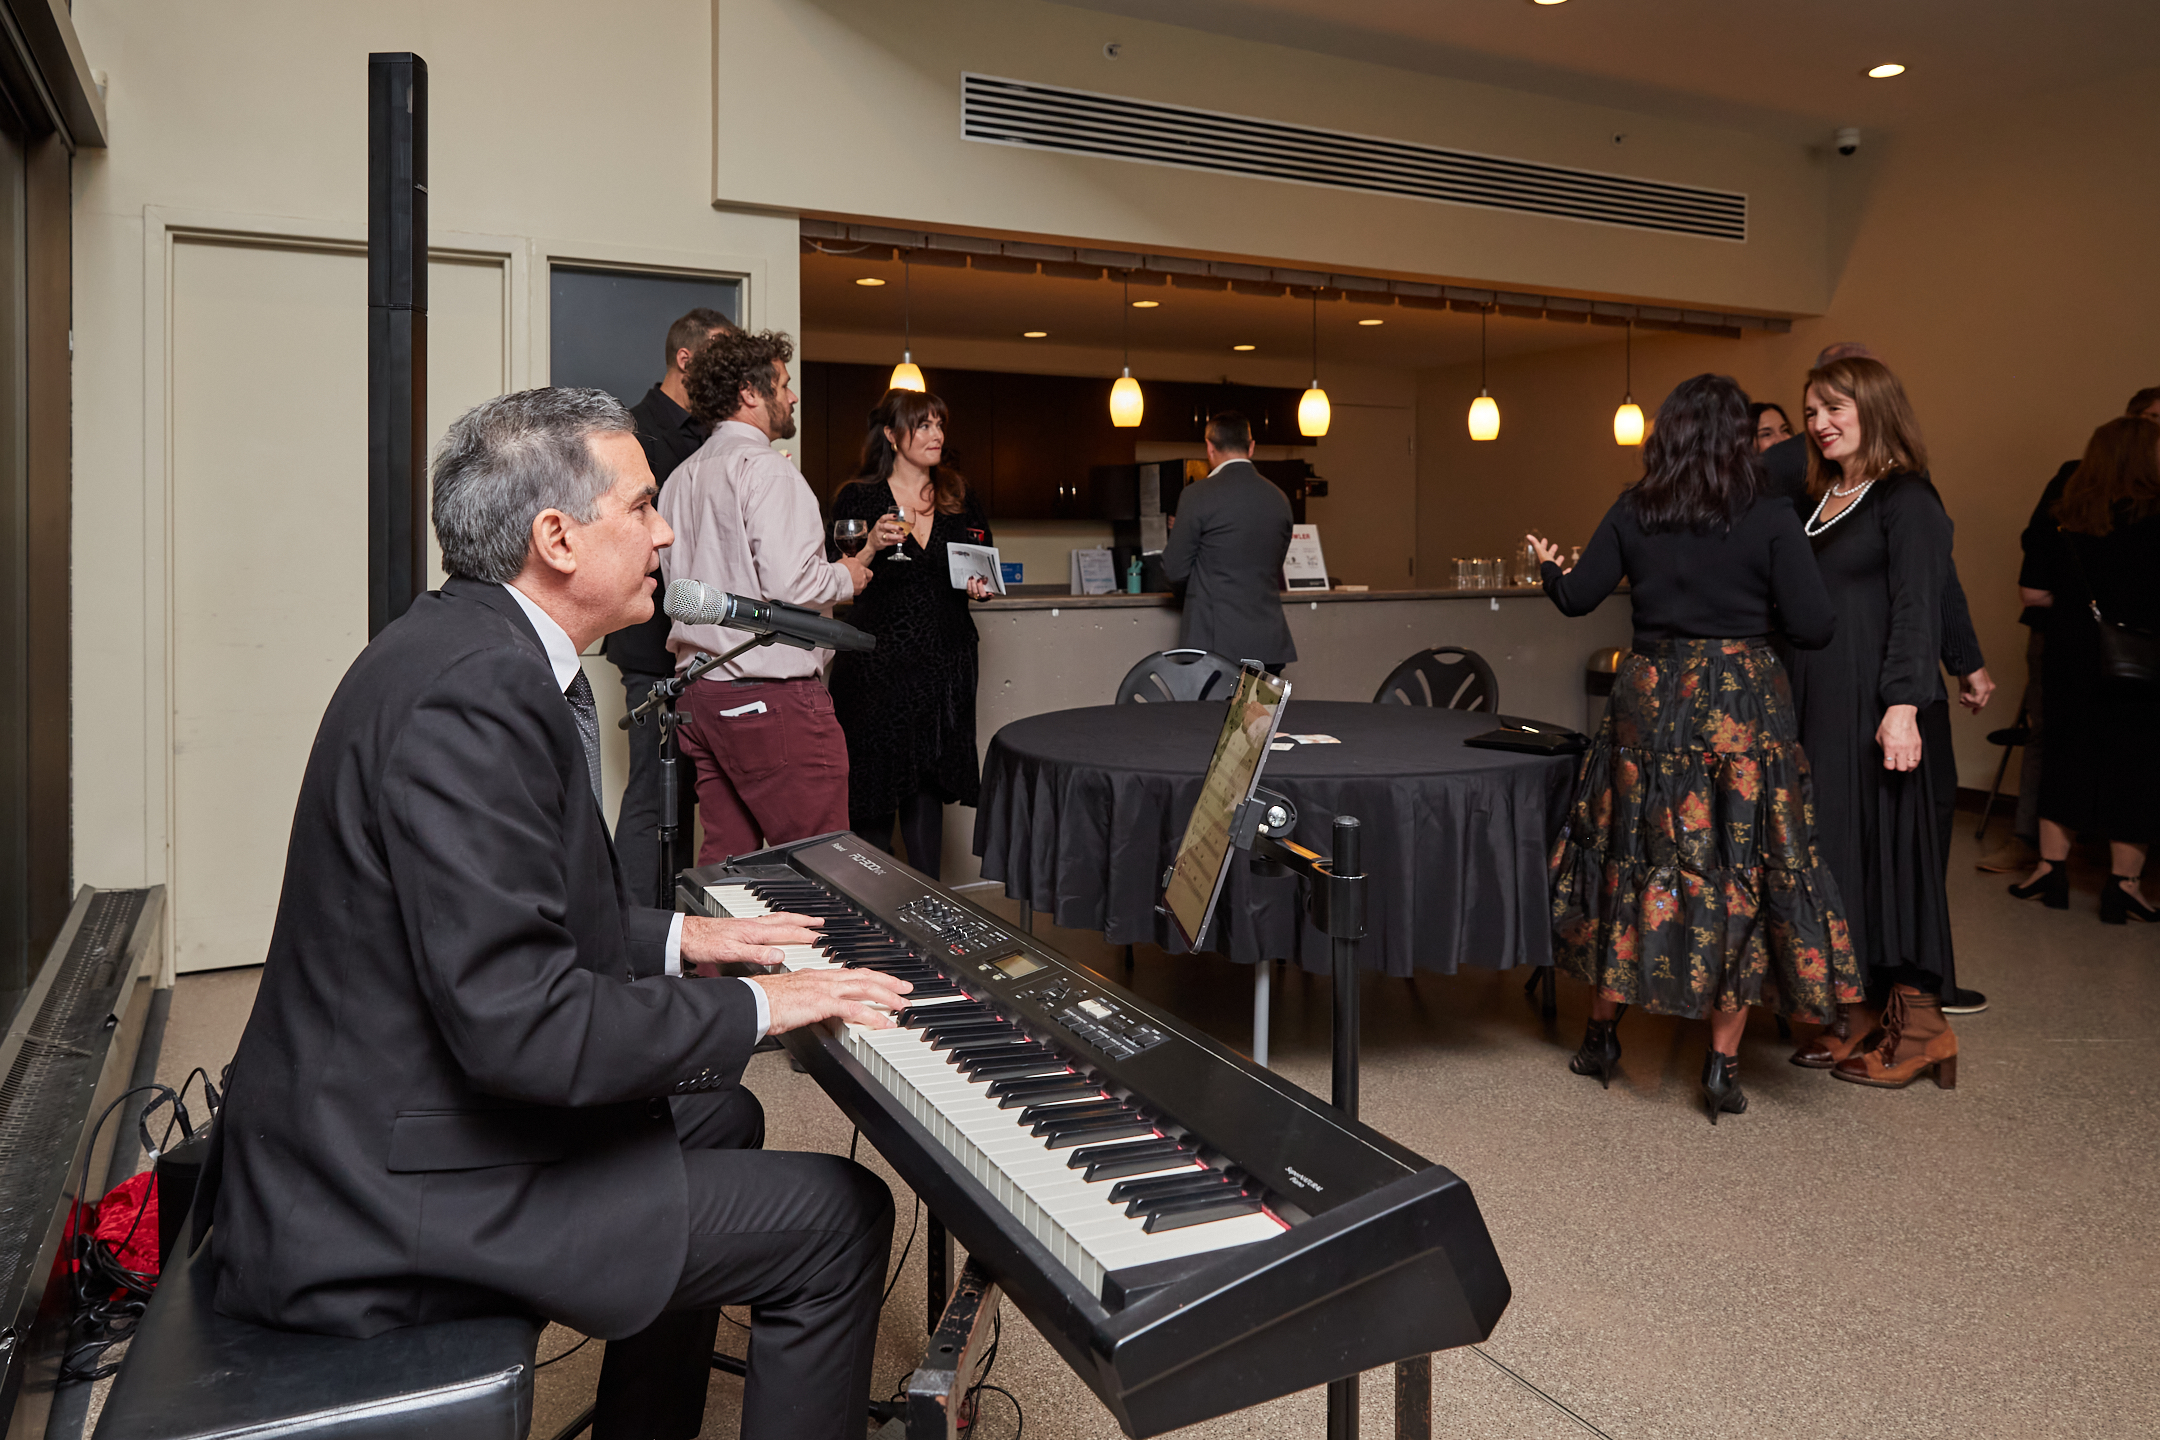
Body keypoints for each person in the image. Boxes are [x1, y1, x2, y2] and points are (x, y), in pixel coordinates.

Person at [211, 387, 912, 1440]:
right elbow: (524, 1026)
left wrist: (688, 938)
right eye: (640, 507)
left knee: (722, 1113)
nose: (667, 528)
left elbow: (508, 915)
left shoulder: (469, 650)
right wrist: (767, 1008)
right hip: (381, 1189)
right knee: (838, 1219)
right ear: (557, 537)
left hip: (387, 1113)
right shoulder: (470, 698)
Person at [1530, 374, 1858, 1124]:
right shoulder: (1771, 516)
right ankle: (1721, 1065)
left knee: (1634, 861)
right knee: (1737, 870)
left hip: (1650, 704)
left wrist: (1550, 567)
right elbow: (1814, 626)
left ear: (1667, 434)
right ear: (1740, 440)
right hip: (1741, 706)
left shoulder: (1634, 508)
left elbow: (1578, 598)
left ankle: (1600, 1040)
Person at [1764, 343, 1993, 1015]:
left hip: (1866, 695)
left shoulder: (1906, 497)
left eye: (1834, 408)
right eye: (1810, 412)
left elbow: (1920, 603)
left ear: (1875, 407)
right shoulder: (1820, 496)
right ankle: (1827, 988)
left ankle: (1862, 997)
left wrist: (1903, 705)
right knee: (1822, 839)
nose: (1819, 423)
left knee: (1853, 843)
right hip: (1812, 695)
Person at [659, 329, 894, 863]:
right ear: (749, 391)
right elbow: (792, 585)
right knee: (821, 861)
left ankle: (723, 951)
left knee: (727, 861)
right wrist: (847, 578)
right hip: (769, 697)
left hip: (701, 695)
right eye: (784, 384)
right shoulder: (766, 469)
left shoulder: (678, 479)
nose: (791, 397)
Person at [1982, 385, 2160, 874]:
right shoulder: (2076, 486)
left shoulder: (2071, 505)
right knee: (2128, 756)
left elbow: (2034, 587)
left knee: (2064, 750)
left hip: (2069, 639)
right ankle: (2122, 883)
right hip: (2131, 649)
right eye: (2149, 420)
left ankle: (2049, 869)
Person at [827, 389, 994, 877]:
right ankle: (871, 915)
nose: (937, 434)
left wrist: (980, 585)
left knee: (927, 788)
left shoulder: (958, 496)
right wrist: (873, 546)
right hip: (876, 670)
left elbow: (981, 563)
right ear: (891, 435)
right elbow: (833, 578)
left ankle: (929, 918)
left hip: (943, 666)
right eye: (923, 425)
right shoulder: (857, 498)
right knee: (873, 791)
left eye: (940, 424)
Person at [607, 306, 736, 902]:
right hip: (654, 644)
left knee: (690, 797)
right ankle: (633, 938)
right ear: (685, 359)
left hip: (700, 642)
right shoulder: (635, 433)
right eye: (719, 356)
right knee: (653, 796)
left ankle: (676, 936)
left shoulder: (714, 437)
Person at [1160, 412, 1296, 673]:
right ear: (1251, 446)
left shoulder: (1197, 495)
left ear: (1209, 448)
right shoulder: (1279, 498)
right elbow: (1273, 565)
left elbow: (1175, 569)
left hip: (1213, 650)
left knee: (1208, 716)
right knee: (1256, 716)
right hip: (1269, 646)